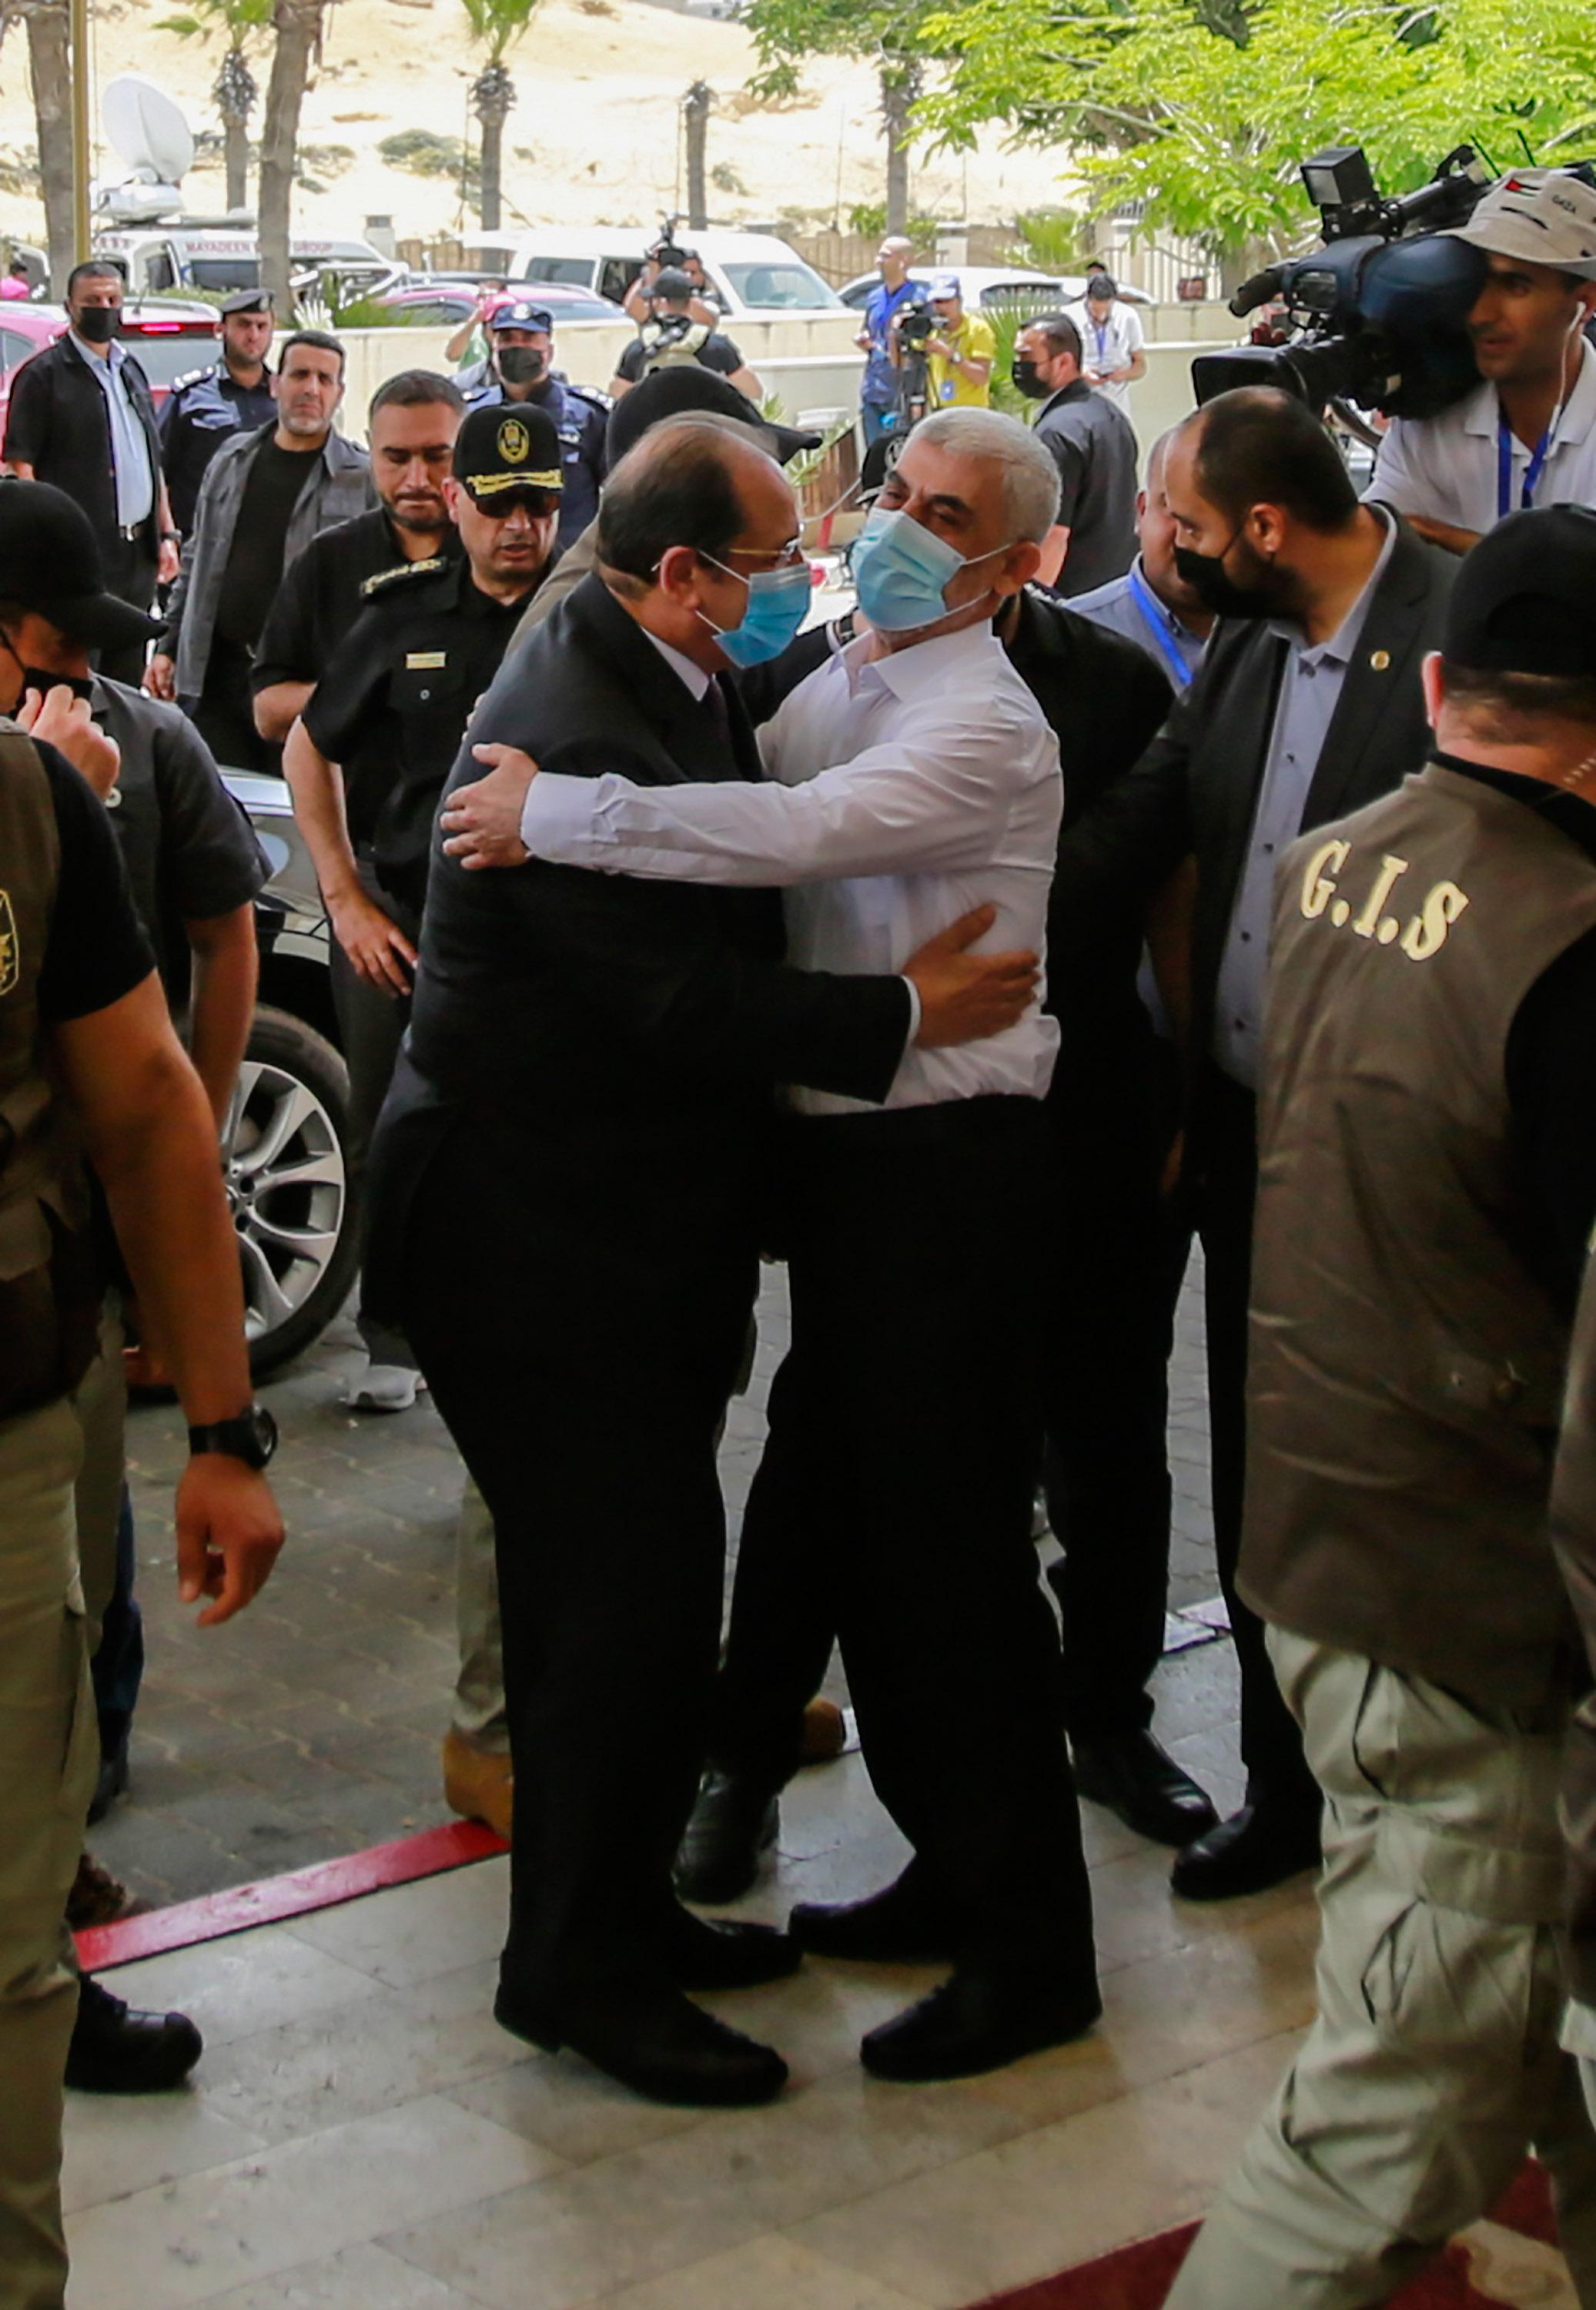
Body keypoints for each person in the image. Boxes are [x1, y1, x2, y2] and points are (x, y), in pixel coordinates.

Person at [368, 416, 1040, 2109]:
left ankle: (613, 1922)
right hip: (532, 1239)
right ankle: (578, 1974)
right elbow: (678, 998)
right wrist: (897, 1015)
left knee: (640, 1607)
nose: (804, 578)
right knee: (613, 1614)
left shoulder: (664, 668)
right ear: (682, 574)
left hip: (623, 1234)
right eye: (765, 564)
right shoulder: (567, 710)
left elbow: (767, 825)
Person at [1167, 502, 1596, 2310]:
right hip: (1476, 1611)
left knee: (1496, 2020)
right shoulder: (1571, 943)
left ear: (1436, 686)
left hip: (1322, 1541)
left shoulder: (1335, 858)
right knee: (1398, 2105)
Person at [1061, 384, 1456, 1901]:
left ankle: (1408, 1788)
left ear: (1269, 530)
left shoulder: (1450, 630)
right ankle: (1283, 1790)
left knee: (1379, 1474)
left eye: (1189, 523)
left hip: (1383, 1143)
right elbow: (1151, 818)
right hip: (1232, 1123)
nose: (1166, 542)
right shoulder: (1237, 640)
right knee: (1248, 1461)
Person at [0, 658, 284, 2308]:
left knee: (8, 1957)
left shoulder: (26, 806)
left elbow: (148, 1107)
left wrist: (226, 1433)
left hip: (12, 1440)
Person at [0, 482, 266, 1866]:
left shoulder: (144, 741)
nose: (83, 677)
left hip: (67, 1271)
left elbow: (221, 942)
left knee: (79, 1559)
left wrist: (203, 1125)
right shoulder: (39, 787)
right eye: (59, 646)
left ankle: (70, 1840)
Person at [283, 403, 563, 1416]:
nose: (520, 527)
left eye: (538, 505)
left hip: (542, 937)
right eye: (498, 506)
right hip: (406, 926)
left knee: (530, 1141)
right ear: (456, 502)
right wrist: (343, 896)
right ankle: (394, 1332)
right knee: (390, 1135)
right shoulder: (402, 612)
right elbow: (308, 746)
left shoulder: (582, 616)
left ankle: (521, 1325)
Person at [148, 330, 373, 776]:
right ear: (276, 384)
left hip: (303, 690)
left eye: (325, 379)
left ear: (339, 393)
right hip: (217, 678)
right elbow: (197, 560)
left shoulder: (362, 478)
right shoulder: (232, 458)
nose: (311, 388)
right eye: (300, 375)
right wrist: (169, 645)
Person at [1367, 169, 1596, 554]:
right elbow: (1376, 553)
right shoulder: (1428, 423)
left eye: (1516, 287)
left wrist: (1446, 537)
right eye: (1475, 283)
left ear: (1586, 303)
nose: (1480, 314)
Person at [252, 372, 465, 748]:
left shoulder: (501, 558)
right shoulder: (327, 561)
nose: (417, 479)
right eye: (396, 458)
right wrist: (373, 687)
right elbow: (269, 712)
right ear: (369, 450)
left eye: (437, 457)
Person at [2, 260, 180, 684]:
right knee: (81, 675)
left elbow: (149, 459)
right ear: (70, 307)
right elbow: (20, 464)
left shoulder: (129, 370)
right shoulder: (43, 376)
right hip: (82, 556)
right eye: (93, 302)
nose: (105, 308)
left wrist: (168, 534)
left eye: (113, 300)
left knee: (126, 675)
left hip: (135, 555)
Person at [1069, 427, 1216, 685]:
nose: (1187, 534)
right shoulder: (1074, 637)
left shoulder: (1281, 630)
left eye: (1212, 513)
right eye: (1171, 508)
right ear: (1141, 511)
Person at [458, 299, 608, 548]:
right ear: (493, 348)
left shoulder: (587, 415)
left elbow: (618, 491)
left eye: (528, 338)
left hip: (570, 564)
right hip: (493, 558)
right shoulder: (471, 414)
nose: (517, 346)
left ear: (548, 350)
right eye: (507, 339)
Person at [1012, 310, 1137, 597]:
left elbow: (1054, 535)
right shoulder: (1110, 415)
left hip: (1072, 600)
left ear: (1064, 362)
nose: (1019, 366)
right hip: (1117, 593)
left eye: (1027, 357)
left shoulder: (1056, 434)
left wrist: (1034, 607)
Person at [157, 288, 278, 541]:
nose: (253, 336)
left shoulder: (285, 397)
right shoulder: (190, 396)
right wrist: (168, 536)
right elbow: (159, 471)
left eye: (261, 326)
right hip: (200, 542)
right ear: (221, 330)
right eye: (244, 325)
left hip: (269, 540)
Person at [608, 269, 762, 402]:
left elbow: (617, 396)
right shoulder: (717, 346)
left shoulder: (639, 349)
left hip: (655, 427)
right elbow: (754, 391)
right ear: (690, 302)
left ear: (659, 302)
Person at [855, 235, 928, 450]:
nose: (879, 261)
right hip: (873, 388)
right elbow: (867, 328)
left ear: (904, 261)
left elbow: (922, 341)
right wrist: (864, 340)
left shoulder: (918, 297)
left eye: (886, 256)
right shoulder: (874, 297)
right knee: (874, 453)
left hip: (901, 391)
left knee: (898, 454)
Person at [1062, 271, 1147, 414]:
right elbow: (1060, 363)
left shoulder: (1128, 317)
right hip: (1081, 399)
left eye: (1106, 309)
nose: (1100, 316)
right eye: (1095, 310)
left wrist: (1125, 374)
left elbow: (1141, 366)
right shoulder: (1069, 316)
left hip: (1116, 402)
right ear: (1087, 298)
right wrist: (1082, 374)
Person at [917, 272, 995, 410]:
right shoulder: (930, 330)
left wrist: (952, 355)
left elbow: (981, 377)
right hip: (939, 409)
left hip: (970, 410)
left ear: (959, 301)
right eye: (937, 302)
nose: (942, 307)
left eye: (947, 301)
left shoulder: (977, 329)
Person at [622, 246, 723, 327]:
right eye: (683, 272)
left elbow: (709, 320)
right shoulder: (654, 294)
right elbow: (635, 313)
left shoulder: (708, 295)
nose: (687, 277)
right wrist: (652, 272)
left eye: (692, 273)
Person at [443, 278, 508, 370]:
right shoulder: (469, 330)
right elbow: (452, 355)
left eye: (492, 296)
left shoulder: (511, 327)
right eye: (483, 297)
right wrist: (473, 321)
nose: (487, 300)